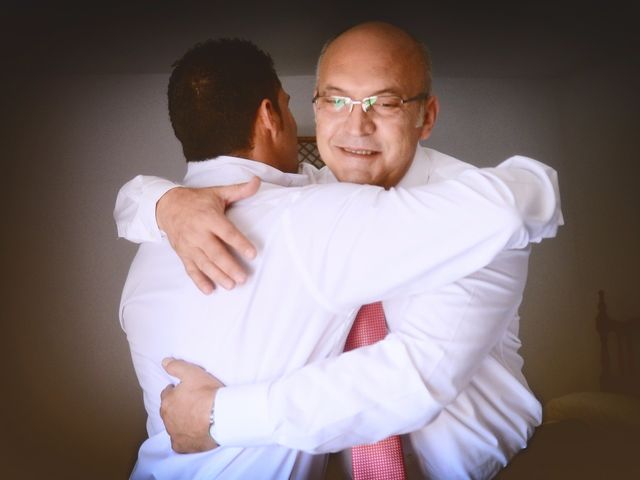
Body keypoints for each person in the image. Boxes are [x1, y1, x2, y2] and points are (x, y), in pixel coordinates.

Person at [116, 25, 563, 479]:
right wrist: (163, 204)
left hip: (483, 469)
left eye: (384, 103)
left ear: (425, 117)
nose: (356, 125)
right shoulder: (314, 198)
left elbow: (411, 381)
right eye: (335, 100)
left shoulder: (472, 218)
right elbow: (132, 201)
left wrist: (217, 416)